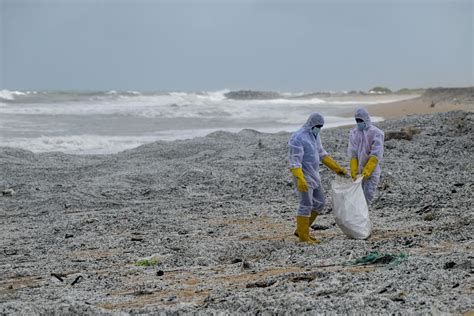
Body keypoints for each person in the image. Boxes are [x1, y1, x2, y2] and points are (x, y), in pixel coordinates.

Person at [288, 113, 348, 244]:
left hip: (314, 174)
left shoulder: (315, 135)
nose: (319, 128)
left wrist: (337, 169)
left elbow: (321, 153)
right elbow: (294, 162)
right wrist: (300, 178)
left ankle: (301, 229)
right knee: (306, 204)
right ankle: (303, 236)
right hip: (303, 175)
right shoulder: (298, 138)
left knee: (320, 202)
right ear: (311, 124)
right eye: (317, 126)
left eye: (321, 126)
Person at [348, 107, 384, 203]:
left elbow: (375, 154)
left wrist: (367, 171)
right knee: (357, 198)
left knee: (367, 197)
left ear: (366, 119)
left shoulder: (376, 133)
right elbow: (353, 153)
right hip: (358, 172)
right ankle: (359, 217)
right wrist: (354, 171)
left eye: (361, 120)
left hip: (372, 172)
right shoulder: (354, 133)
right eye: (357, 120)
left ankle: (364, 217)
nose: (359, 122)